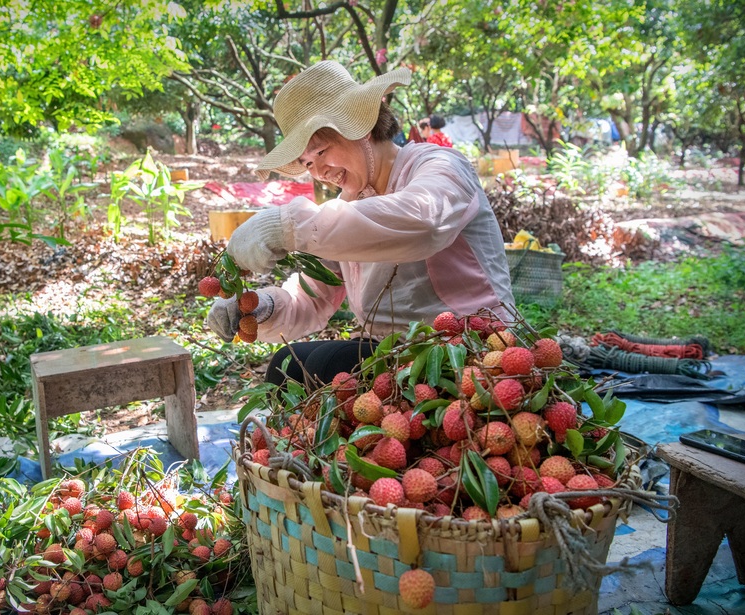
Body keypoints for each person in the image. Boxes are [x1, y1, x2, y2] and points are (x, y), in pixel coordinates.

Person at [205, 61, 514, 388]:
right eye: (307, 163)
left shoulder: (440, 165)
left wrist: (287, 227)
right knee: (288, 365)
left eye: (321, 152)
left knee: (326, 364)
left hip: (468, 344)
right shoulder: (347, 208)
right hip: (390, 350)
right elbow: (312, 296)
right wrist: (260, 307)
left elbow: (425, 222)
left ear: (360, 126)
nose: (319, 172)